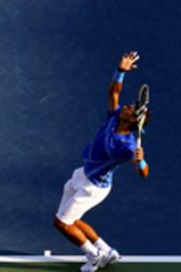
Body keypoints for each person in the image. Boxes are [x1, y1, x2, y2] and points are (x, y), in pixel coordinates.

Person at [54, 51, 150, 272]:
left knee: (61, 224)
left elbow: (142, 173)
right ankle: (106, 251)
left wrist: (141, 161)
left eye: (131, 108)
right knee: (71, 219)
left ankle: (93, 256)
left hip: (93, 187)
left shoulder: (128, 147)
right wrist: (121, 71)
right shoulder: (114, 116)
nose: (127, 105)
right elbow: (113, 91)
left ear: (134, 119)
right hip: (82, 173)